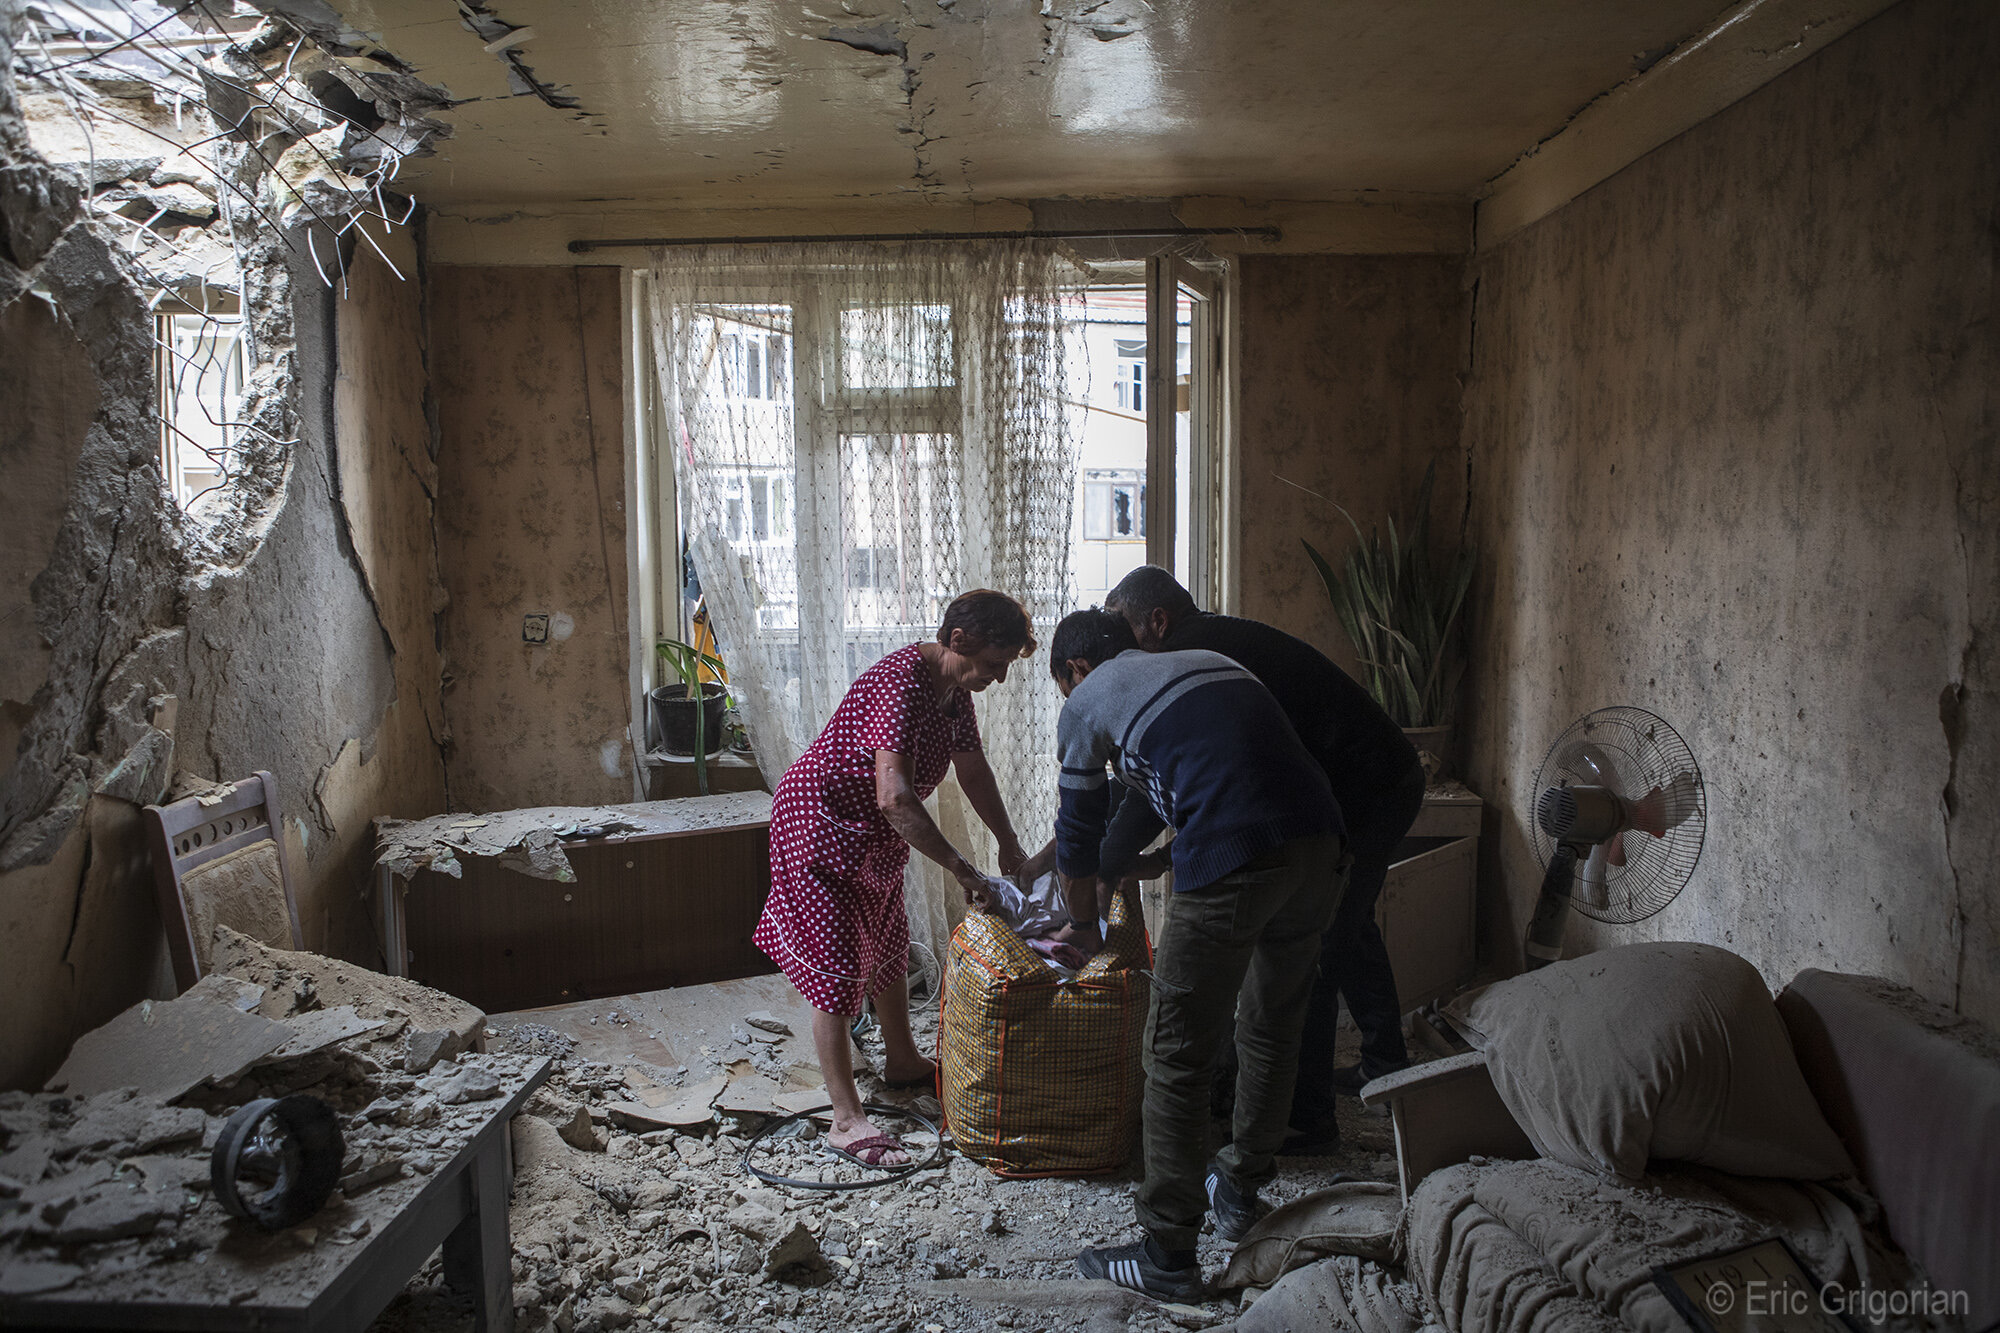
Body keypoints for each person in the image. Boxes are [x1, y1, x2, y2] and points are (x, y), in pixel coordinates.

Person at [1050, 608, 1348, 1299]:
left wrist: (1085, 926)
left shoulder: (1089, 698)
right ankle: (1238, 1189)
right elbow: (1201, 771)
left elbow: (1077, 835)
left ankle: (1166, 1253)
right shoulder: (1209, 665)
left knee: (1176, 1050)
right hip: (1322, 842)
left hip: (1237, 851)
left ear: (1075, 670)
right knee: (1272, 1025)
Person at [1105, 566, 1426, 1152]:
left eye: (1120, 628)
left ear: (1156, 621)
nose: (1117, 648)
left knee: (1318, 948)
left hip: (1366, 789)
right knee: (1349, 928)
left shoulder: (1182, 657)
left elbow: (1153, 786)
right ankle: (1383, 1063)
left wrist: (1103, 860)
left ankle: (1306, 1120)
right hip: (1384, 777)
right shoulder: (1214, 640)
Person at [755, 589, 1035, 1167]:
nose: (999, 678)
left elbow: (973, 767)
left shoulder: (955, 692)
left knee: (885, 939)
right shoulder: (901, 683)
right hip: (821, 822)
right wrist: (960, 866)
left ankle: (903, 1060)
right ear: (957, 642)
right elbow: (894, 796)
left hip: (875, 832)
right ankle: (845, 1118)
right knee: (837, 966)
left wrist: (1007, 840)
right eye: (994, 664)